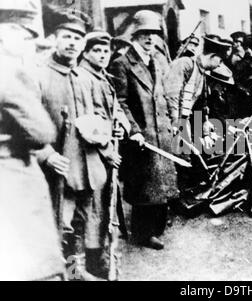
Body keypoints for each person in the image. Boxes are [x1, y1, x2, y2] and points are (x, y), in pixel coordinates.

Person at [36, 10, 109, 281]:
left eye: (78, 38)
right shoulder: (39, 76)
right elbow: (18, 129)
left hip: (86, 169)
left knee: (79, 227)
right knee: (58, 230)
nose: (72, 43)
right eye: (66, 36)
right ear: (53, 39)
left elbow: (100, 117)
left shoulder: (84, 78)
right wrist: (47, 155)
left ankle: (76, 274)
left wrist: (104, 141)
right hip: (58, 172)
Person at [0, 0, 64, 281]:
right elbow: (43, 132)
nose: (29, 44)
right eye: (27, 36)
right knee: (37, 262)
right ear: (8, 31)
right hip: (14, 178)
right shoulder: (9, 71)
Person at [109, 10, 178, 250]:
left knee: (162, 183)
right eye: (144, 34)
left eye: (154, 34)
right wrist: (134, 130)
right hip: (141, 135)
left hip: (162, 130)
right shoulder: (122, 63)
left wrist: (172, 121)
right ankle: (144, 233)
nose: (150, 39)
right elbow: (121, 101)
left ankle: (157, 227)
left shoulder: (157, 62)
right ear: (134, 36)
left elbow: (163, 96)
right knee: (145, 186)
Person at [76, 31, 131, 278]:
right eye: (96, 51)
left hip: (103, 151)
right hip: (90, 154)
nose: (102, 55)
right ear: (86, 52)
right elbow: (87, 122)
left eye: (105, 51)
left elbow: (115, 108)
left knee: (104, 208)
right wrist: (107, 151)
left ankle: (101, 256)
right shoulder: (82, 78)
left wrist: (121, 124)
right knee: (93, 210)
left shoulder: (103, 77)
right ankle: (92, 262)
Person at [163, 36, 231, 198]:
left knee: (186, 154)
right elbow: (172, 95)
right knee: (176, 156)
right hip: (169, 119)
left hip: (183, 119)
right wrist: (176, 124)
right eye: (220, 61)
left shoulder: (202, 73)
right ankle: (172, 198)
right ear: (212, 56)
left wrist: (205, 123)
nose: (219, 65)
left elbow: (201, 102)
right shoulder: (185, 64)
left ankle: (182, 194)